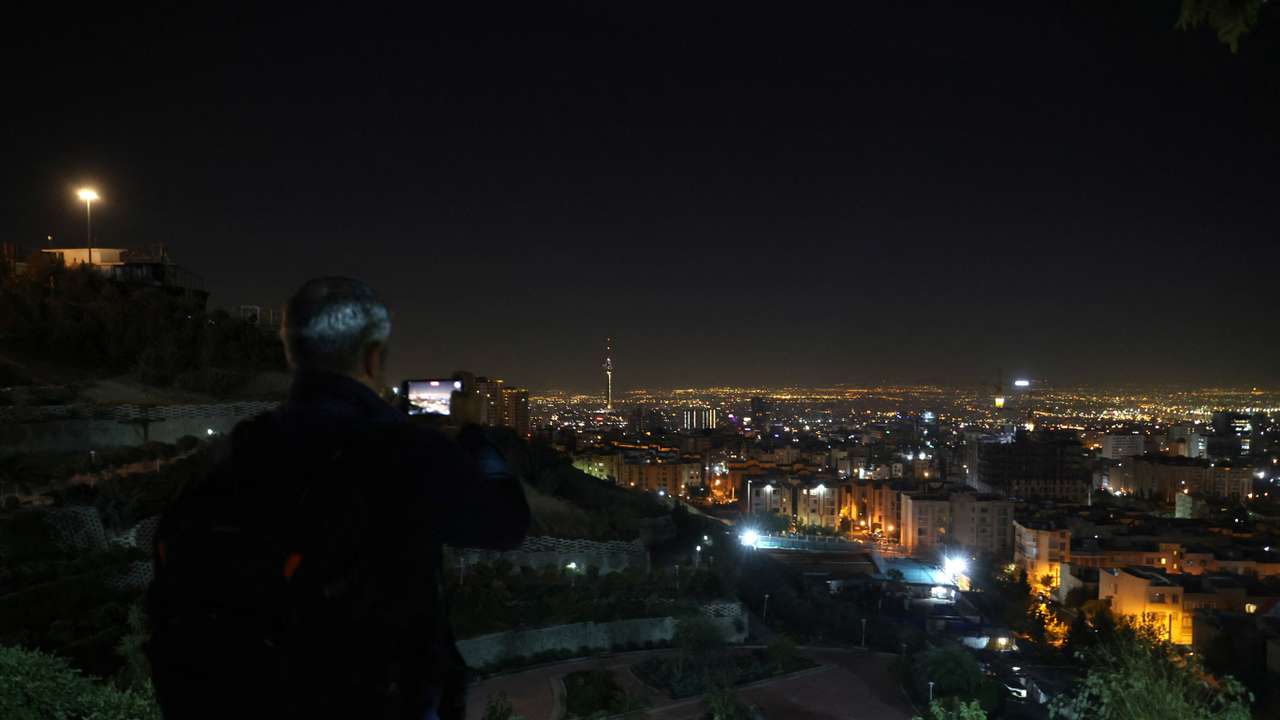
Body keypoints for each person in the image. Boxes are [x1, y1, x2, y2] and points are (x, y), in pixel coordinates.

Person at [146, 277, 530, 720]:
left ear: (291, 353)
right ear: (372, 356)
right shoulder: (402, 449)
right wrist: (472, 433)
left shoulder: (236, 450)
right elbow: (507, 523)